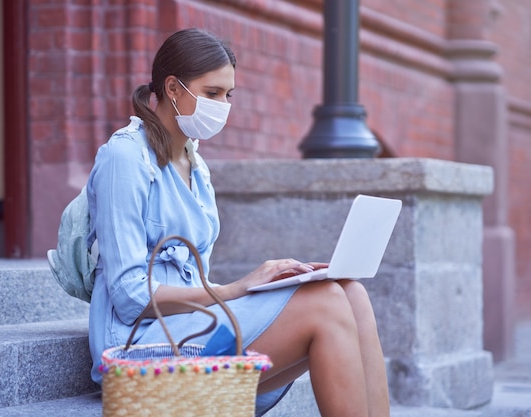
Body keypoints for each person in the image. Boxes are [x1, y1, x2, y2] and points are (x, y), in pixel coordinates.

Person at [87, 28, 390, 417]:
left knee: (350, 292)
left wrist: (271, 283)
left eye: (228, 95)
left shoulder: (197, 167)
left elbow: (193, 284)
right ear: (173, 89)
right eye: (212, 93)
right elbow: (130, 296)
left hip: (191, 324)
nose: (223, 105)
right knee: (327, 305)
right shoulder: (125, 158)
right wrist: (235, 290)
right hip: (139, 343)